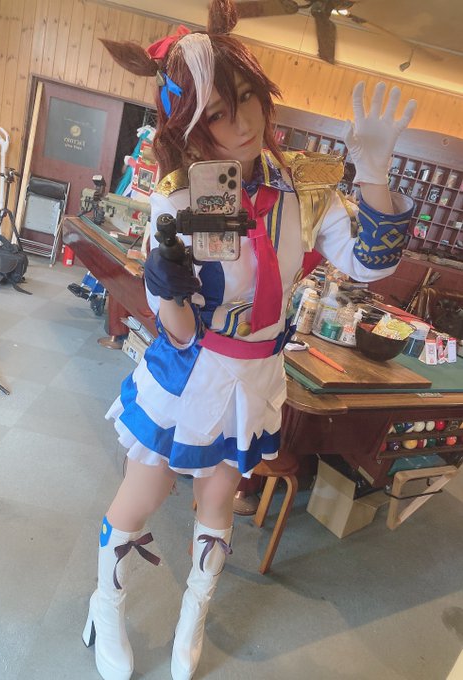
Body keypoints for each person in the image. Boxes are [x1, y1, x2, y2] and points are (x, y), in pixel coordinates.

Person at [83, 1, 417, 678]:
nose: (239, 124)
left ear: (264, 96)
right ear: (187, 124)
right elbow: (179, 329)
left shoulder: (305, 185)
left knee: (218, 509)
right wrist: (166, 284)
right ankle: (104, 607)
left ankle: (192, 619)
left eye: (245, 99)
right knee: (141, 501)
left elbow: (369, 265)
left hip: (259, 375)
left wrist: (375, 175)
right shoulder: (185, 196)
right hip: (192, 369)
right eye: (214, 114)